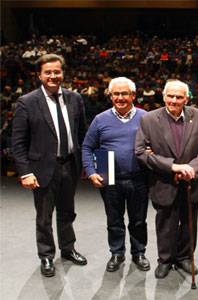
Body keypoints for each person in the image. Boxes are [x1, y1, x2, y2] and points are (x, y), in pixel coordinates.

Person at [12, 54, 87, 277]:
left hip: (69, 165)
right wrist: (25, 172)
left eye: (57, 71)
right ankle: (46, 255)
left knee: (67, 212)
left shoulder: (75, 99)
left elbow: (82, 133)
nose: (53, 76)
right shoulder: (27, 102)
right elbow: (18, 142)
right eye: (48, 72)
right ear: (39, 75)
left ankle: (67, 249)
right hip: (43, 169)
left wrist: (85, 163)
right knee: (44, 217)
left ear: (63, 73)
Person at [135, 80, 198, 279]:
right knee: (165, 224)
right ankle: (165, 260)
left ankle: (185, 257)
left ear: (187, 98)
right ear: (164, 96)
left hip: (191, 182)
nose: (174, 100)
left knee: (189, 222)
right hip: (163, 181)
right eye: (171, 96)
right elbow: (141, 152)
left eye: (179, 97)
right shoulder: (149, 119)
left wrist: (192, 168)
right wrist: (173, 167)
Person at [81, 77, 150, 273]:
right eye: (116, 94)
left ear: (133, 95)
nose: (120, 97)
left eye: (125, 93)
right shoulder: (100, 119)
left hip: (139, 179)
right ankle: (117, 253)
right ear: (110, 96)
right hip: (109, 178)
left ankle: (139, 253)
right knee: (114, 220)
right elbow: (87, 147)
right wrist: (92, 171)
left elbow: (156, 144)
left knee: (138, 220)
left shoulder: (146, 117)